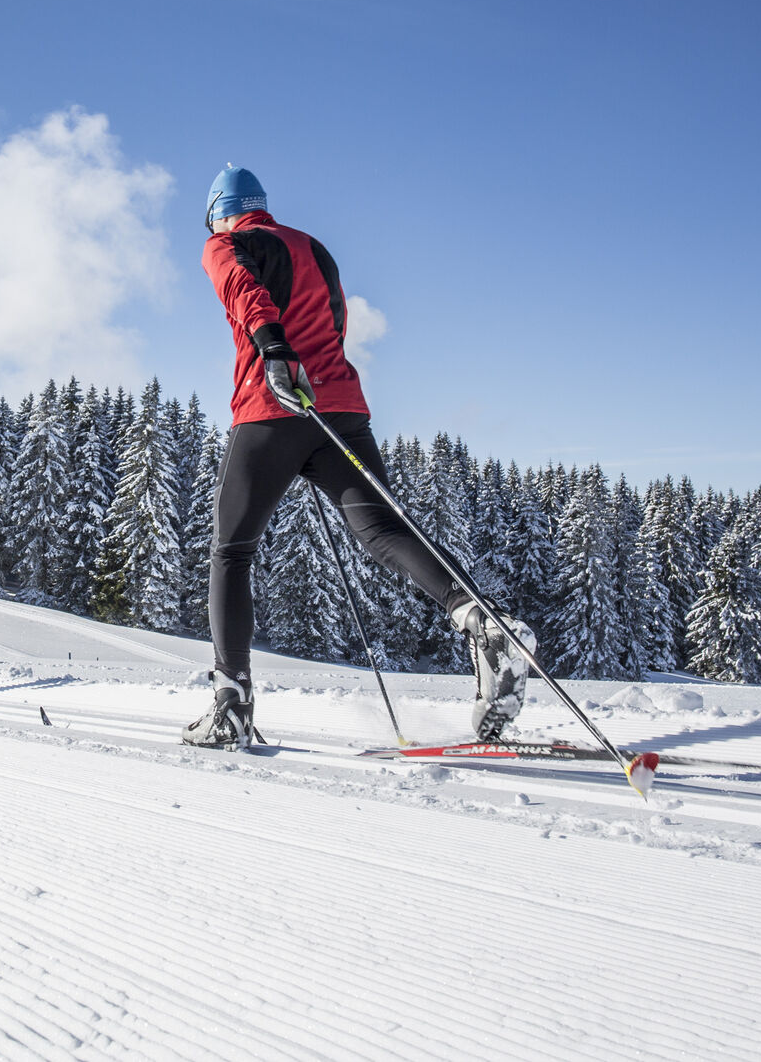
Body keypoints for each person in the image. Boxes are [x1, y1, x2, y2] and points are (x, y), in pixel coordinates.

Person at [185, 165, 536, 749]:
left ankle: (231, 707)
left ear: (220, 213)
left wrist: (275, 349)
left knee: (232, 550)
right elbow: (337, 321)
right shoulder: (314, 248)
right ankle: (481, 621)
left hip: (272, 407)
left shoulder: (225, 244)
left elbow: (243, 293)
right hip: (342, 410)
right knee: (383, 531)